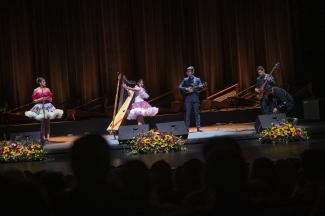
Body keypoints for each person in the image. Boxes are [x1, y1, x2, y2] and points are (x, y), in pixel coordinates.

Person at [25, 77, 63, 143]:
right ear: (40, 83)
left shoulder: (47, 89)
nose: (45, 82)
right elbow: (34, 101)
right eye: (43, 81)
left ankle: (48, 137)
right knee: (42, 123)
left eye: (45, 81)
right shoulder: (36, 90)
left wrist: (48, 98)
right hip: (40, 106)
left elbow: (51, 100)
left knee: (48, 122)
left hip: (47, 106)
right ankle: (43, 137)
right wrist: (40, 99)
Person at [178, 66, 204, 132]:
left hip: (195, 98)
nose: (188, 73)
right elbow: (179, 87)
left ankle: (198, 127)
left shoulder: (197, 79)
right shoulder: (185, 80)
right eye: (187, 72)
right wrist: (186, 89)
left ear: (193, 72)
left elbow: (202, 89)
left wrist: (201, 87)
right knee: (187, 114)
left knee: (197, 113)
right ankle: (186, 128)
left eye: (189, 71)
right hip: (188, 99)